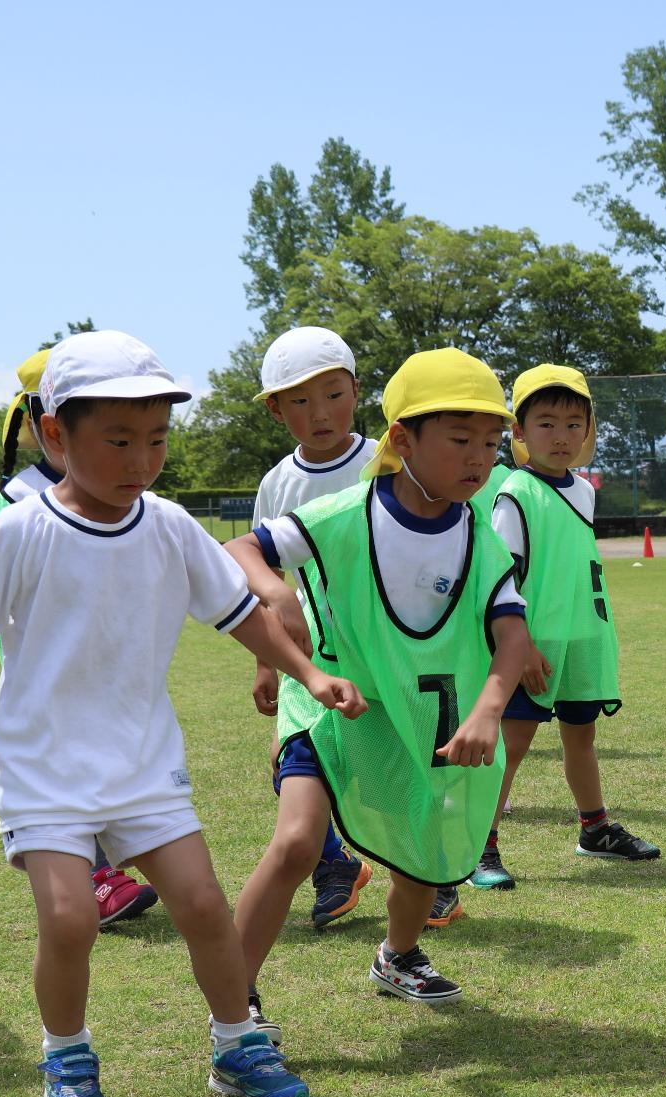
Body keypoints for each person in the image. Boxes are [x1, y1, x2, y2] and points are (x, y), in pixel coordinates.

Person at [0, 332, 349, 1097]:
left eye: (156, 440)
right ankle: (68, 1056)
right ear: (56, 435)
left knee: (200, 901)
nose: (141, 460)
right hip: (43, 765)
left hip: (142, 760)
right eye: (119, 441)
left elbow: (237, 614)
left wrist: (307, 672)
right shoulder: (21, 529)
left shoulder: (168, 525)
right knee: (69, 917)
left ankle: (237, 1042)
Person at [225, 348, 532, 1009]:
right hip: (326, 704)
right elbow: (241, 549)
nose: (479, 458)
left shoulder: (482, 537)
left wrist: (486, 709)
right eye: (459, 440)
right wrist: (275, 594)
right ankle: (234, 996)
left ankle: (398, 954)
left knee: (420, 851)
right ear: (402, 439)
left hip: (411, 716)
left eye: (490, 440)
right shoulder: (342, 513)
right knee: (300, 841)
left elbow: (513, 637)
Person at [0, 350, 159, 927]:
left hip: (108, 663)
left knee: (110, 761)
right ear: (45, 422)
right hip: (46, 672)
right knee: (67, 771)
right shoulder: (17, 499)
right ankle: (93, 878)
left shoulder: (120, 487)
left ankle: (105, 869)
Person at [475, 364, 659, 892]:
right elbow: (502, 576)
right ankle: (480, 844)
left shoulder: (584, 490)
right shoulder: (515, 492)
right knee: (512, 744)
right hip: (534, 642)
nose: (562, 437)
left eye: (574, 424)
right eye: (547, 423)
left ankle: (594, 828)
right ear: (519, 431)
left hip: (584, 636)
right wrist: (522, 645)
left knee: (582, 737)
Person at [235, 327, 375, 968]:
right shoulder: (277, 484)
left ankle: (430, 880)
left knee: (393, 766)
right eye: (298, 401)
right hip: (311, 655)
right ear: (275, 410)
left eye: (332, 394)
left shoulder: (387, 458)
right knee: (285, 758)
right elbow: (266, 577)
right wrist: (267, 661)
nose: (319, 414)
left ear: (356, 390)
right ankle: (335, 866)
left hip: (388, 650)